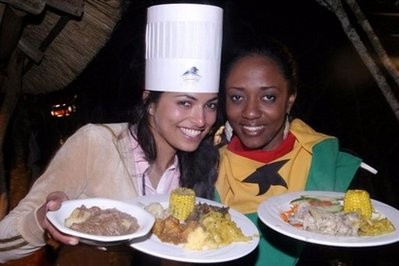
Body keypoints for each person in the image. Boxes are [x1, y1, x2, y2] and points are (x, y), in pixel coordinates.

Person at [0, 3, 223, 265]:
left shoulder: (201, 166)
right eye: (185, 102)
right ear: (149, 102)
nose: (201, 120)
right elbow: (4, 243)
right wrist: (42, 219)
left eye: (210, 105)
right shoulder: (97, 143)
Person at [213, 38, 377, 266]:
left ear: (289, 100)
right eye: (237, 97)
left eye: (268, 97)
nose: (250, 112)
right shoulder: (207, 170)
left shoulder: (339, 169)